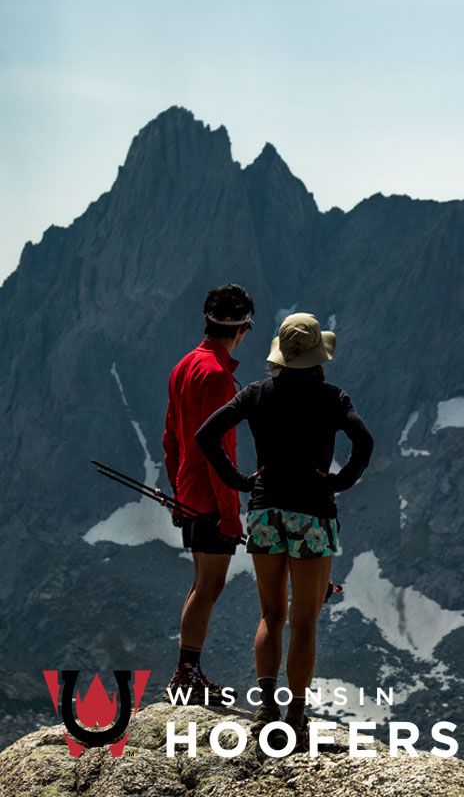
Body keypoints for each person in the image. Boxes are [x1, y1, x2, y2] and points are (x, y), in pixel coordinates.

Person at [197, 312, 373, 742]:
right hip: (312, 513)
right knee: (304, 621)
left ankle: (266, 710)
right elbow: (363, 442)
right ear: (317, 357)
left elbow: (207, 435)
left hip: (265, 513)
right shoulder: (333, 397)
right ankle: (296, 716)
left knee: (271, 615)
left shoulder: (257, 393)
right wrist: (337, 482)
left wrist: (240, 481)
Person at [162, 283, 255, 702]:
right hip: (211, 496)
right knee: (210, 586)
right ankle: (186, 674)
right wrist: (232, 514)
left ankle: (188, 670)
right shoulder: (218, 376)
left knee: (202, 582)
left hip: (189, 491)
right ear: (242, 329)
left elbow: (171, 438)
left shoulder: (184, 366)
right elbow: (221, 449)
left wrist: (177, 490)